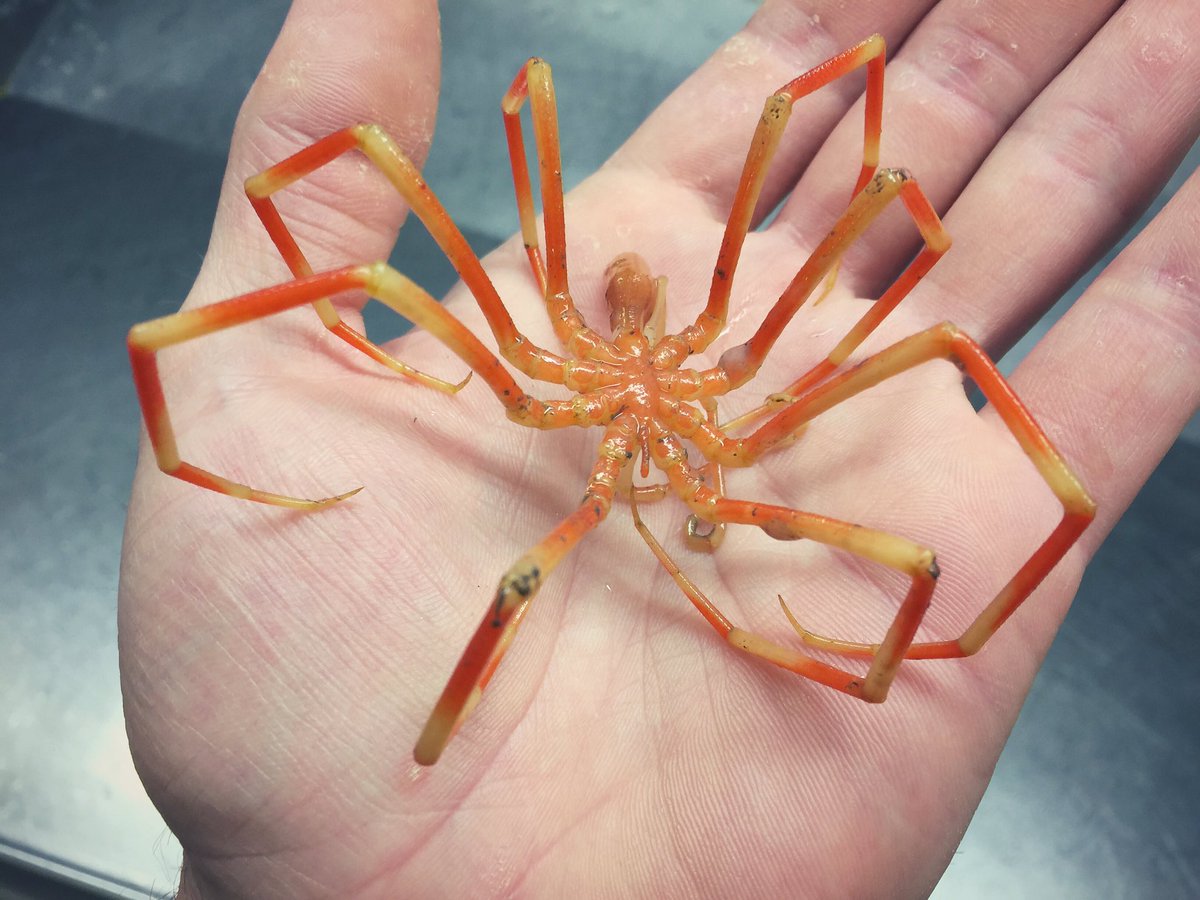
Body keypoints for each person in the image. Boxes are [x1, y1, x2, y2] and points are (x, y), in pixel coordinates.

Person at [119, 0, 1200, 895]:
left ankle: (934, 653)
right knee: (473, 478)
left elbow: (889, 177)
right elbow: (502, 106)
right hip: (595, 347)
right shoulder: (561, 355)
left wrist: (933, 643)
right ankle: (423, 731)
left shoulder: (724, 363)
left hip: (674, 362)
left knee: (932, 469)